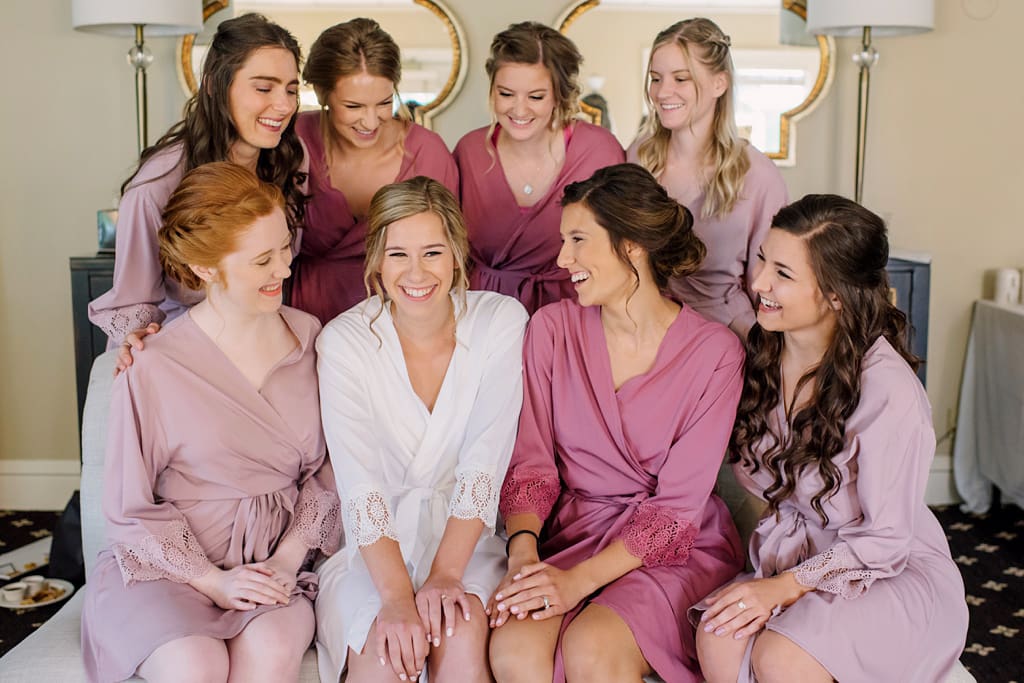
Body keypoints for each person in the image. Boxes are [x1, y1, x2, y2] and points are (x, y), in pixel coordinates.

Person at [80, 162, 341, 683]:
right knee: (193, 666)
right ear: (205, 268)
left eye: (284, 249)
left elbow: (329, 470)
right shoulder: (153, 364)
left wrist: (286, 561)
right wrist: (210, 580)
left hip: (272, 565)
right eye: (262, 260)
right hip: (167, 571)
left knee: (271, 652)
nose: (284, 269)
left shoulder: (313, 339)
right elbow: (129, 506)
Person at [693, 195, 969, 682]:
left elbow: (885, 540)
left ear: (836, 295)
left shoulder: (888, 391)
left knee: (780, 658)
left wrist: (783, 588)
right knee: (717, 633)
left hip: (887, 570)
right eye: (762, 260)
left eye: (782, 273)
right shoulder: (760, 352)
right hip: (797, 555)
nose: (758, 283)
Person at [489, 163, 745, 683]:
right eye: (564, 241)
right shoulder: (551, 329)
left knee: (593, 649)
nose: (562, 259)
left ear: (632, 246)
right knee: (514, 651)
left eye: (578, 240)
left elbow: (677, 507)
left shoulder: (715, 353)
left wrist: (575, 585)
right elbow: (531, 463)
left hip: (673, 550)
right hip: (571, 535)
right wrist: (523, 556)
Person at [314, 176, 528, 683]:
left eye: (432, 252)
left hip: (467, 543)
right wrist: (394, 598)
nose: (416, 273)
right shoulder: (343, 343)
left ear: (456, 253)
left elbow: (484, 464)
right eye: (398, 255)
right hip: (372, 553)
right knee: (384, 652)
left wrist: (446, 574)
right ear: (376, 260)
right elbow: (360, 487)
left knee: (459, 633)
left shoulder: (500, 322)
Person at [88, 13, 308, 372]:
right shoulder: (156, 186)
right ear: (214, 86)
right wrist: (138, 340)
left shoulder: (291, 160)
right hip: (190, 352)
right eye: (264, 88)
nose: (284, 105)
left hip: (265, 339)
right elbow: (133, 305)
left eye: (291, 90)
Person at [628, 18, 787, 338]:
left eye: (681, 78)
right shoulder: (638, 158)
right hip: (643, 326)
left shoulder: (758, 176)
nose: (662, 92)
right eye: (656, 78)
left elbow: (767, 283)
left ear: (719, 83)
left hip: (725, 331)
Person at [294, 18, 459, 324]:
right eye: (354, 106)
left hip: (400, 318)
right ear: (321, 93)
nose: (371, 122)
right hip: (304, 314)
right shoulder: (295, 140)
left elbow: (450, 255)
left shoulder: (428, 153)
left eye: (384, 103)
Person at [454, 22, 625, 314]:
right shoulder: (469, 152)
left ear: (559, 95)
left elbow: (622, 250)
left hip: (575, 311)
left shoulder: (600, 151)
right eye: (506, 94)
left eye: (536, 96)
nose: (519, 110)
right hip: (485, 314)